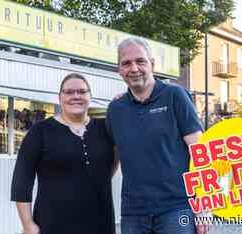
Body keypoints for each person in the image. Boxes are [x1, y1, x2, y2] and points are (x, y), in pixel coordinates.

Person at [106, 38, 205, 234]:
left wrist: (203, 204)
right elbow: (114, 157)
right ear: (119, 70)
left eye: (140, 61)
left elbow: (200, 151)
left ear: (152, 64)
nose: (134, 68)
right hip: (133, 214)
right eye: (126, 63)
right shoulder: (116, 109)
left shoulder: (175, 95)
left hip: (176, 209)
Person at [11, 73, 116, 234]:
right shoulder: (40, 131)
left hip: (100, 223)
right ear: (60, 97)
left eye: (82, 91)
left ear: (90, 96)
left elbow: (110, 165)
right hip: (53, 224)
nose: (76, 96)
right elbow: (22, 180)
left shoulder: (105, 128)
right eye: (69, 92)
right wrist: (27, 224)